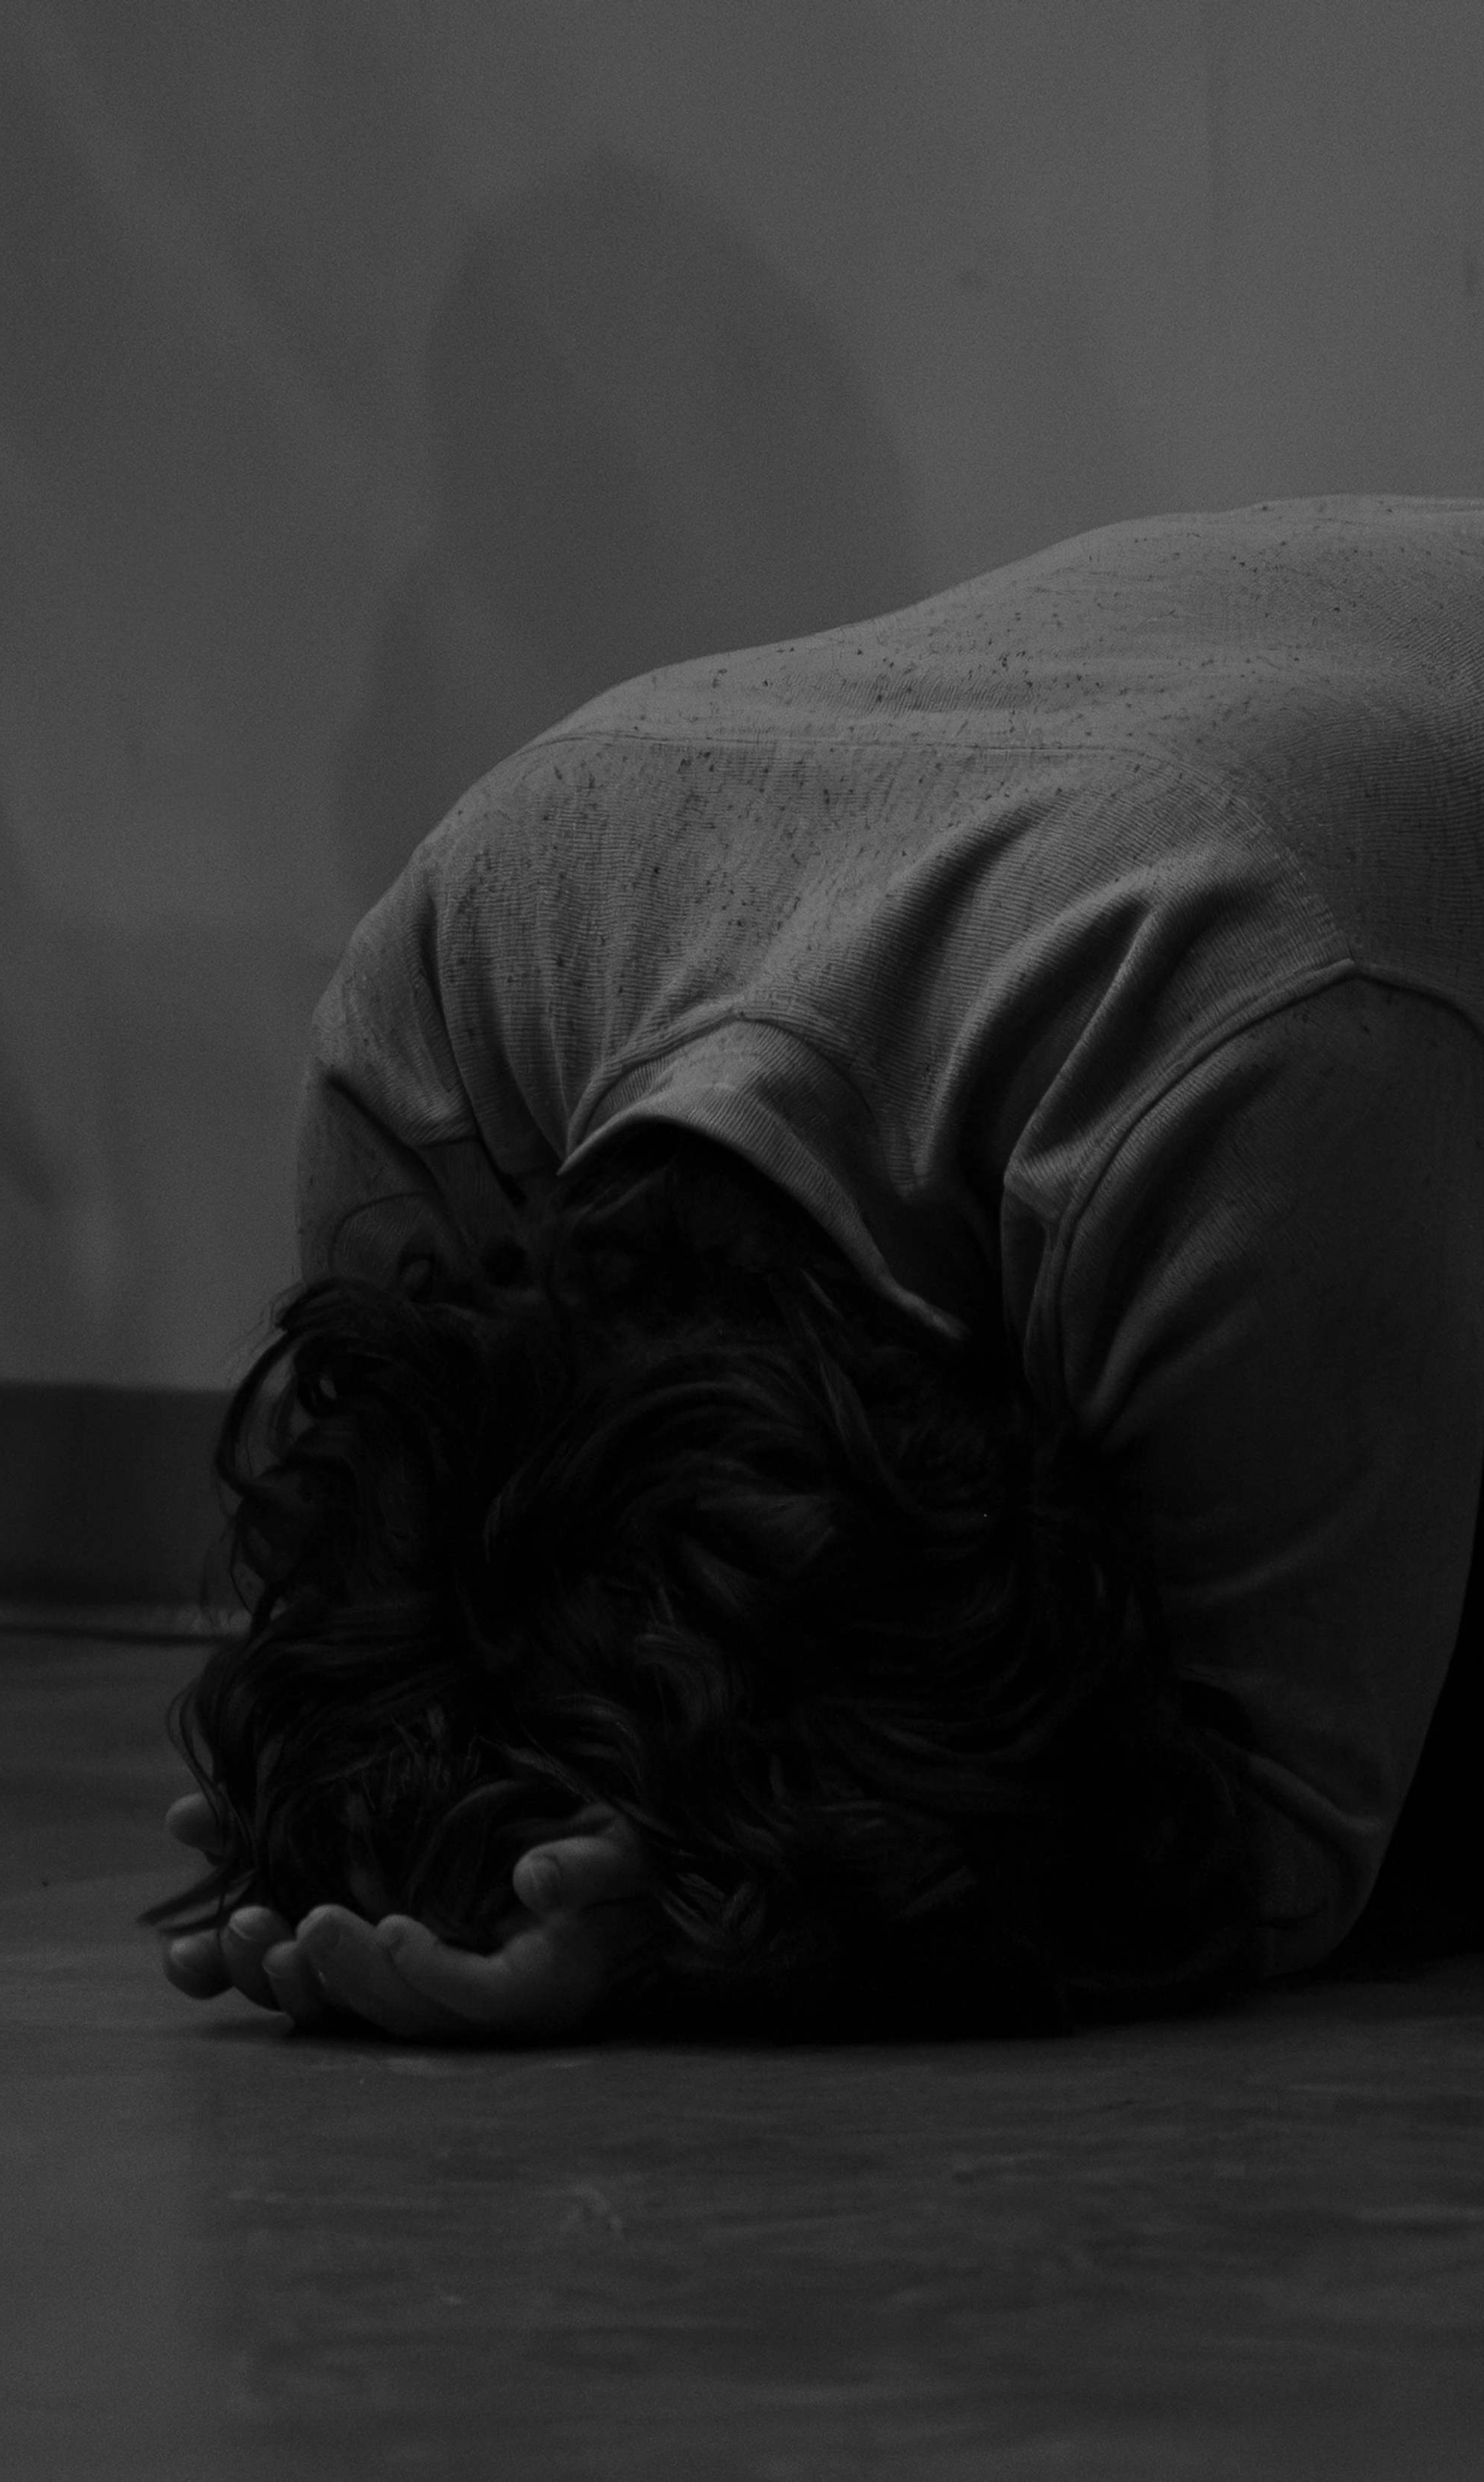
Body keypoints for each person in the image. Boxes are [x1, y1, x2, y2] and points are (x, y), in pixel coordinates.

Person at [148, 494, 1484, 2043]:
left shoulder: (1227, 1063)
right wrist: (362, 1801)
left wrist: (727, 1925)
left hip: (1285, 904)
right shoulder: (430, 1047)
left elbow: (1275, 1843)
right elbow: (399, 1594)